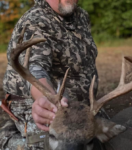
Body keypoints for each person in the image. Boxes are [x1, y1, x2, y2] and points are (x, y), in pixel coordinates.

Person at [0, 0, 106, 149]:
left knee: (100, 137)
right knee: (50, 145)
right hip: (41, 105)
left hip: (78, 106)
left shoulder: (81, 16)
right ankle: (9, 139)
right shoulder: (35, 20)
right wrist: (46, 98)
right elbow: (35, 68)